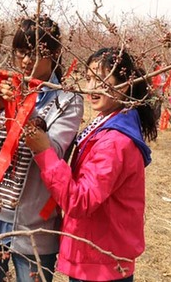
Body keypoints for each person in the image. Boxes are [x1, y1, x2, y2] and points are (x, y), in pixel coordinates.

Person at [24, 47, 156, 282]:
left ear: (124, 85)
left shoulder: (115, 142)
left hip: (101, 262)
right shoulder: (109, 121)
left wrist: (44, 151)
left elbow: (80, 200)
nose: (92, 88)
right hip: (98, 253)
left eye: (101, 80)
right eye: (89, 79)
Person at [0, 17, 84, 281]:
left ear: (54, 54)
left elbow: (52, 157)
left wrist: (28, 119)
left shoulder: (68, 100)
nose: (25, 61)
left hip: (32, 229)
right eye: (20, 52)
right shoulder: (8, 86)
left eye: (34, 53)